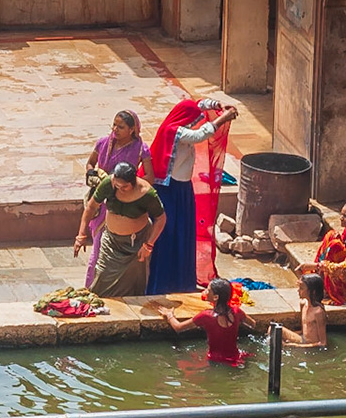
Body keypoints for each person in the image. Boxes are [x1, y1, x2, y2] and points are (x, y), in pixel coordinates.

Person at [146, 98, 237, 295]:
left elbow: (198, 105)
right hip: (169, 190)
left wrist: (216, 105)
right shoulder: (173, 131)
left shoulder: (181, 124)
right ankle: (163, 283)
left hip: (183, 189)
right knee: (168, 235)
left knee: (184, 234)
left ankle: (182, 281)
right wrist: (224, 118)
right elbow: (199, 135)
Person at [73, 161, 166, 297]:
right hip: (111, 242)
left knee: (133, 284)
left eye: (125, 187)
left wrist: (149, 244)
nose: (120, 189)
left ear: (133, 182)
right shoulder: (108, 184)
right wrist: (81, 235)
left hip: (136, 243)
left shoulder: (147, 193)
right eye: (117, 185)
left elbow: (161, 218)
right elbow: (91, 207)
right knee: (102, 276)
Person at [82, 110, 148, 289]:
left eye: (121, 127)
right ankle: (91, 287)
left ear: (132, 130)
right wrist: (92, 174)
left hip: (124, 205)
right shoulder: (103, 143)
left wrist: (130, 186)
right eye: (114, 125)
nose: (115, 130)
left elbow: (150, 177)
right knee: (98, 249)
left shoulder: (140, 149)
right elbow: (90, 163)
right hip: (102, 202)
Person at [167, 277, 254, 366]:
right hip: (235, 358)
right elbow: (253, 324)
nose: (205, 292)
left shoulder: (206, 316)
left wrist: (169, 315)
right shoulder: (237, 311)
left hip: (214, 361)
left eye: (208, 290)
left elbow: (178, 327)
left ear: (215, 297)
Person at [281, 272, 329, 348]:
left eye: (301, 288)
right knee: (274, 330)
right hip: (303, 340)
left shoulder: (318, 312)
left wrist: (297, 346)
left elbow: (323, 343)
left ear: (313, 292)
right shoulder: (303, 304)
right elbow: (303, 331)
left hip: (310, 346)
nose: (298, 290)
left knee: (278, 334)